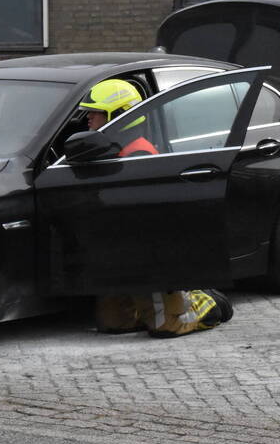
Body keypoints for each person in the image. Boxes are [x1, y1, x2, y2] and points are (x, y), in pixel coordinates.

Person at [78, 79, 233, 338]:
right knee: (113, 324)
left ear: (120, 116)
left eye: (96, 113)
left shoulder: (140, 157)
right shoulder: (109, 152)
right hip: (123, 255)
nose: (88, 119)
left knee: (166, 327)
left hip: (151, 257)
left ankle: (207, 301)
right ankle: (147, 309)